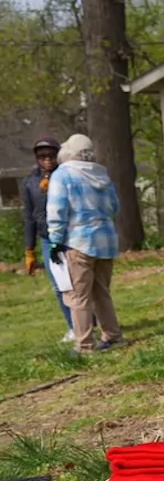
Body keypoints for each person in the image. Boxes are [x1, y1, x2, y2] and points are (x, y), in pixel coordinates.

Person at [46, 133, 124, 354]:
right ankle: (112, 335)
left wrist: (55, 240)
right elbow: (115, 208)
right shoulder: (102, 173)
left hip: (78, 242)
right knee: (101, 292)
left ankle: (84, 345)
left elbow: (57, 210)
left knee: (78, 296)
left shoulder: (63, 175)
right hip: (106, 241)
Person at [20, 136, 75, 343]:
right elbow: (29, 217)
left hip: (71, 236)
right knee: (59, 285)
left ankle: (88, 322)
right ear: (36, 158)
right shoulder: (29, 183)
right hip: (46, 238)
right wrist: (29, 250)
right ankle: (73, 326)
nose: (47, 159)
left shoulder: (67, 175)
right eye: (42, 156)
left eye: (51, 155)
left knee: (79, 283)